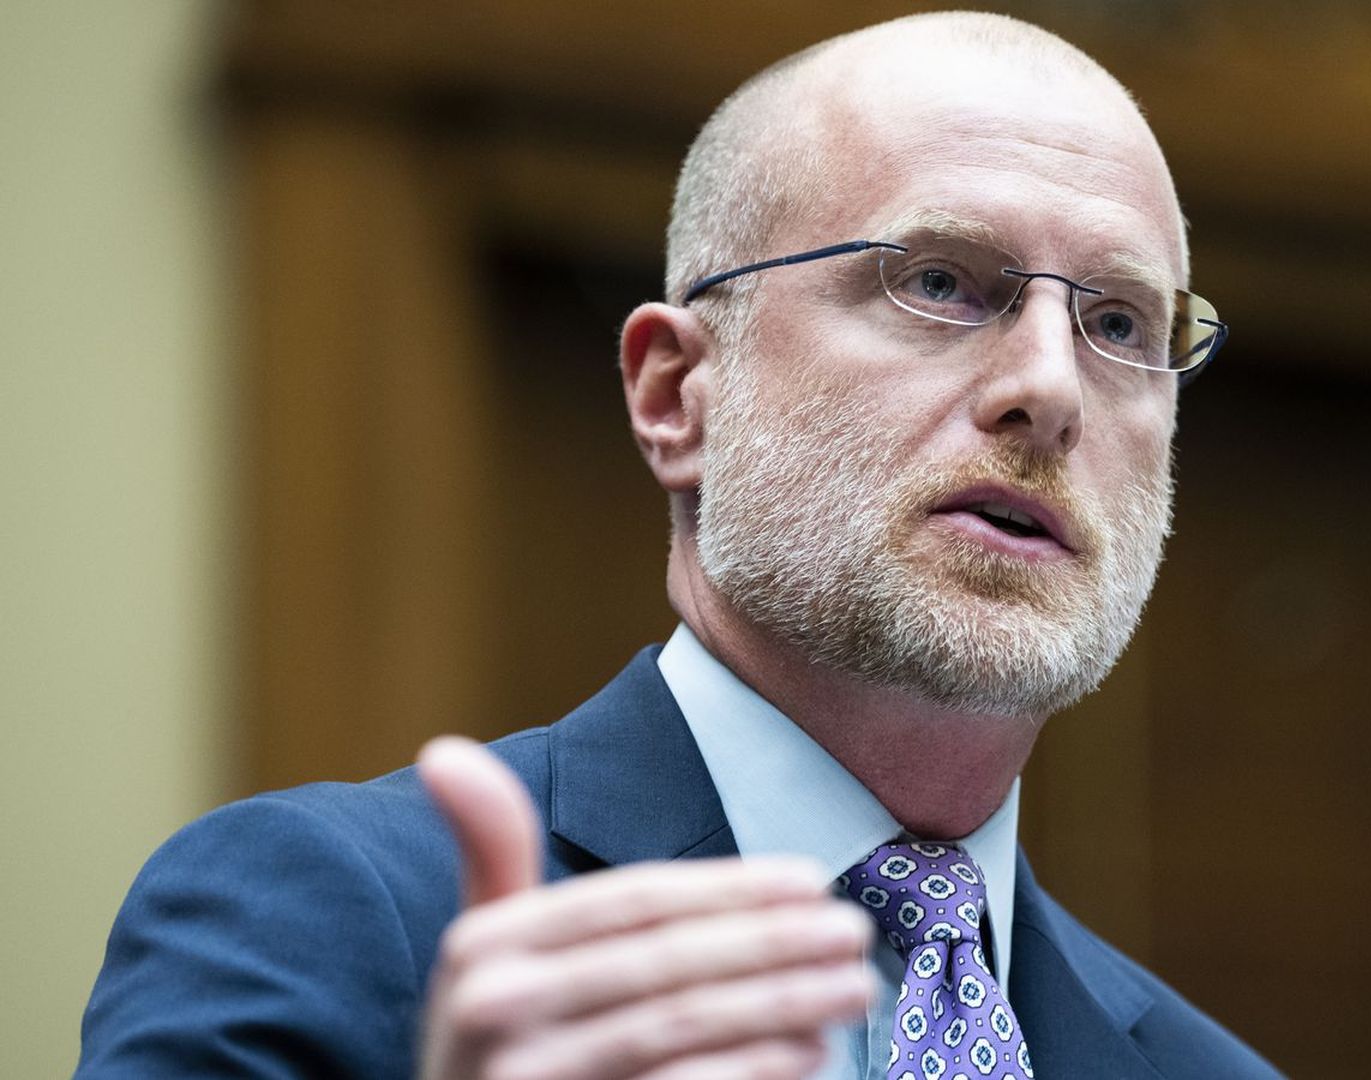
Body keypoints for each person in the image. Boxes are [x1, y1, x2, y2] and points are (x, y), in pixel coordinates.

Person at [78, 12, 1275, 1079]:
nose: (1051, 388)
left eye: (1119, 321)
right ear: (677, 395)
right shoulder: (326, 917)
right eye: (944, 283)